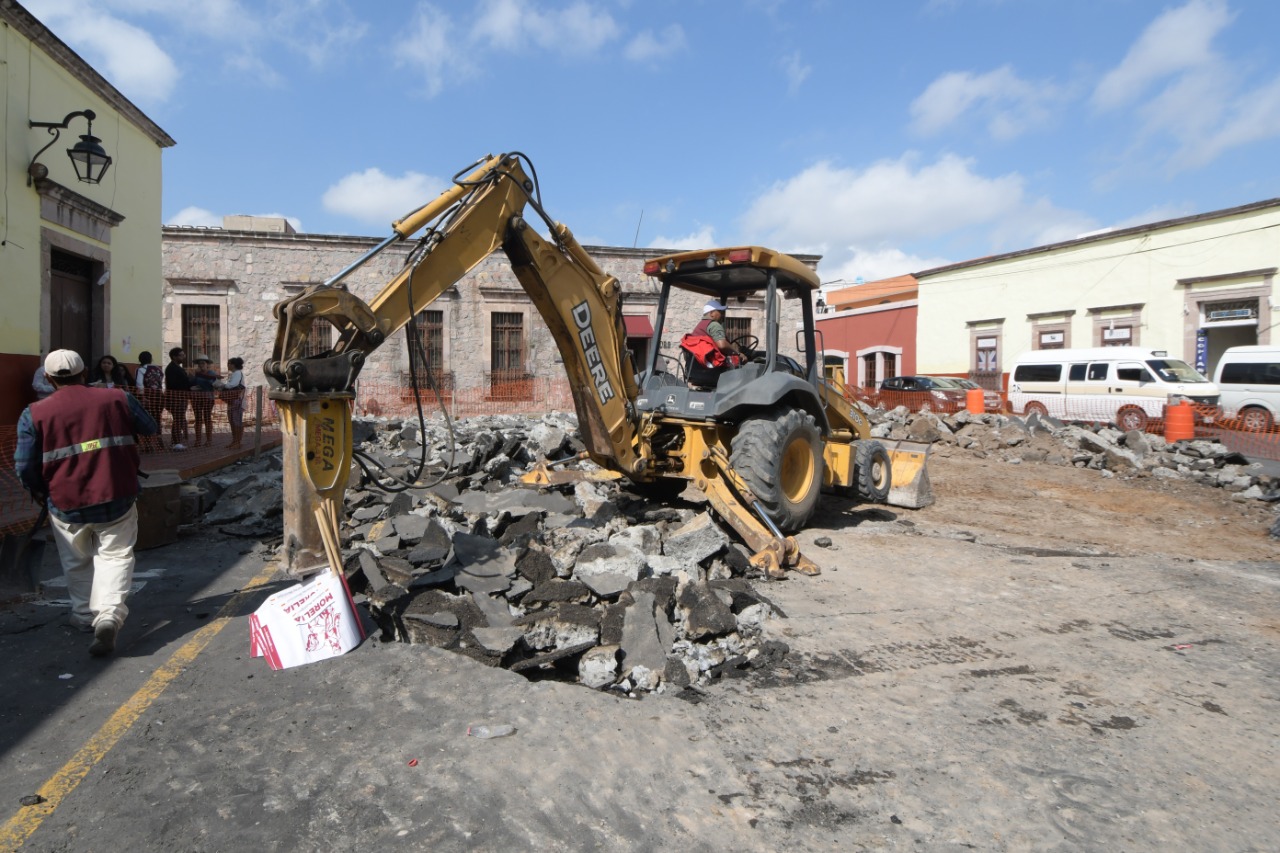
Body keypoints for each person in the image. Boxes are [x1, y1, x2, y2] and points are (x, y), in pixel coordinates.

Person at [14, 349, 158, 657]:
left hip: (65, 501)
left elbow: (24, 465)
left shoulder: (34, 413)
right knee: (115, 555)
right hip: (117, 492)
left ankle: (83, 615)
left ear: (50, 379)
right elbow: (150, 427)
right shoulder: (117, 398)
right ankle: (108, 615)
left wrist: (39, 490)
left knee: (76, 559)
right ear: (83, 373)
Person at [682, 300, 744, 388]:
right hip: (715, 372)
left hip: (697, 371)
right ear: (712, 313)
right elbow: (722, 345)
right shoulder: (714, 325)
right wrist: (738, 353)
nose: (722, 315)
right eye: (720, 312)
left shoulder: (700, 325)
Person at [134, 351, 165, 452]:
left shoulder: (141, 369)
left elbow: (139, 384)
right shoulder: (158, 370)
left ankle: (148, 445)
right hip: (159, 396)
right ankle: (159, 441)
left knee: (146, 419)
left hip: (147, 397)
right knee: (157, 419)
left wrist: (142, 397)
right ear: (151, 359)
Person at [215, 356, 247, 449]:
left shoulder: (237, 373)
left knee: (236, 421)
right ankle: (234, 441)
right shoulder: (234, 374)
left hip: (237, 401)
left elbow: (231, 385)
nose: (228, 365)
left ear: (233, 365)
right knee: (232, 421)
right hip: (233, 401)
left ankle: (237, 442)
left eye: (229, 363)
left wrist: (222, 385)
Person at [164, 347, 192, 451]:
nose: (183, 357)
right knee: (178, 419)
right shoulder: (172, 368)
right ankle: (176, 442)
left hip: (181, 397)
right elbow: (174, 384)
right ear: (174, 357)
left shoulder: (177, 368)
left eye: (183, 355)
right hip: (176, 398)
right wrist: (190, 384)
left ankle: (176, 441)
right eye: (181, 355)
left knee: (179, 419)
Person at [190, 354, 218, 447]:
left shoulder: (211, 374)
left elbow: (212, 384)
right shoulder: (195, 374)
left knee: (207, 418)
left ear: (207, 364)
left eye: (202, 363)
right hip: (196, 398)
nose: (200, 365)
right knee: (198, 418)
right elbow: (190, 383)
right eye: (199, 364)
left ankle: (209, 440)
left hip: (208, 398)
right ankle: (198, 440)